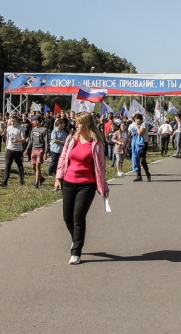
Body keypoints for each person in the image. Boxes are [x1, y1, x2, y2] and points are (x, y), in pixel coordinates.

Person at [54, 111, 109, 265]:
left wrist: (103, 186)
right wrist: (58, 178)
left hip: (86, 185)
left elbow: (101, 167)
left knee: (78, 217)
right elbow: (63, 158)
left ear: (86, 124)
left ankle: (76, 252)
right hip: (68, 182)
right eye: (75, 122)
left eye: (78, 123)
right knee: (67, 217)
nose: (75, 125)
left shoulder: (96, 143)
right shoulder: (71, 139)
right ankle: (76, 239)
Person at [0, 114, 26, 187]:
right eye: (11, 121)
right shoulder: (8, 128)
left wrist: (18, 140)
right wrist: (6, 147)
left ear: (17, 121)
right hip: (9, 149)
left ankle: (22, 180)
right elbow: (7, 138)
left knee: (20, 166)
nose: (12, 122)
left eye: (14, 121)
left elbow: (24, 139)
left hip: (18, 150)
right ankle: (5, 182)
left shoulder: (20, 128)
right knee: (7, 166)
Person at [26, 115, 49, 188]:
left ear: (38, 121)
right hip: (33, 149)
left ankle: (36, 184)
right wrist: (27, 149)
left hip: (40, 149)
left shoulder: (44, 130)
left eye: (34, 121)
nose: (33, 122)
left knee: (38, 166)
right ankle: (41, 178)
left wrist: (46, 152)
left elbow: (46, 142)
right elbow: (30, 140)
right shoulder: (33, 129)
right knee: (33, 166)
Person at [130, 113, 151, 182]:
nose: (136, 120)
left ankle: (148, 174)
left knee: (142, 160)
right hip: (136, 143)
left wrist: (137, 126)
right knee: (136, 159)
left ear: (141, 119)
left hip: (143, 143)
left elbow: (140, 133)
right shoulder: (135, 125)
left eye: (138, 119)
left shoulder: (144, 124)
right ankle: (139, 175)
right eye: (135, 119)